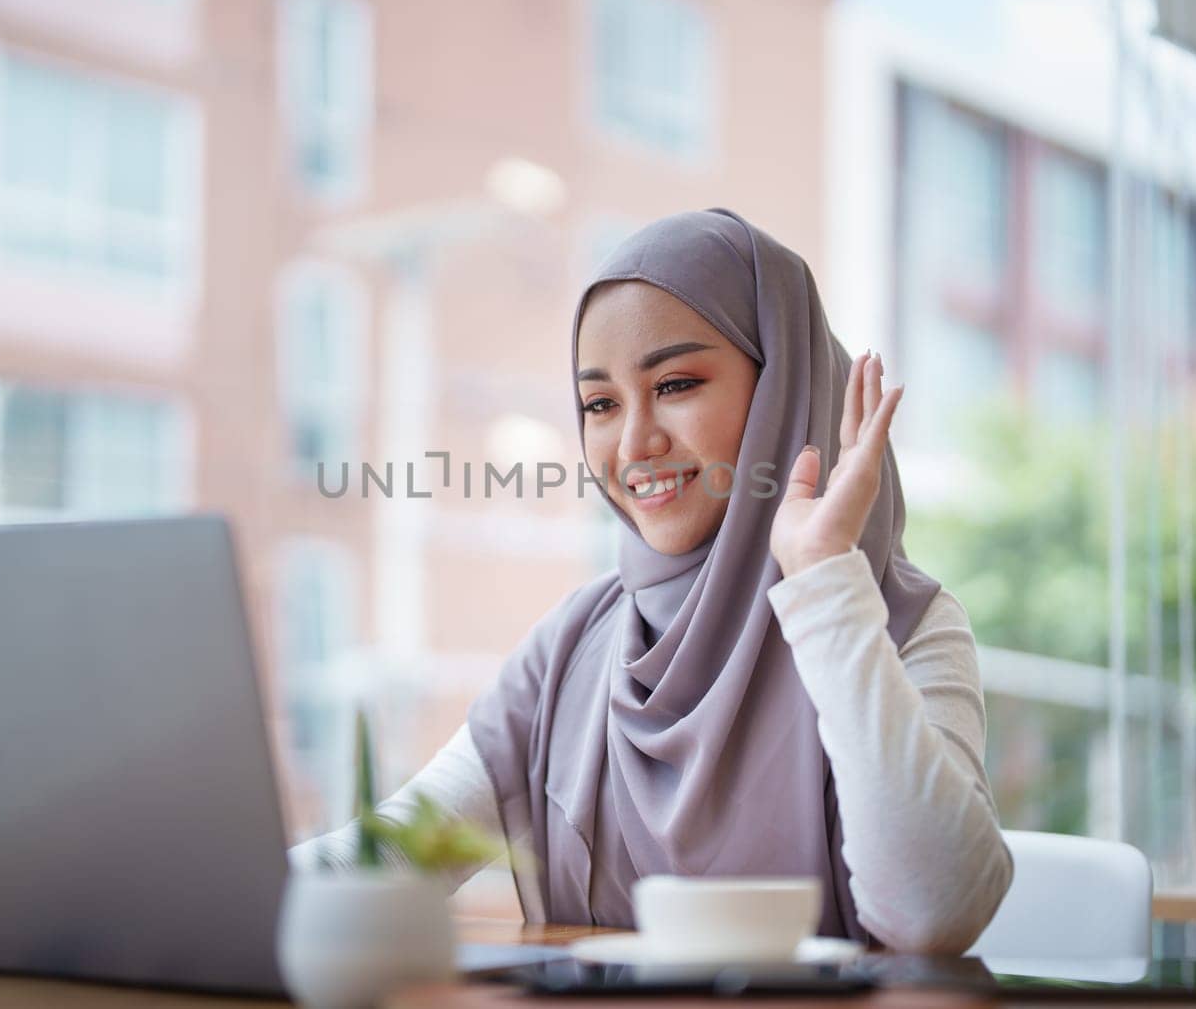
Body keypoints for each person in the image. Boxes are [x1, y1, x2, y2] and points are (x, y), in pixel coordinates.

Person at [292, 208, 1013, 953]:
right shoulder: (578, 643)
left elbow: (935, 913)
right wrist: (198, 894)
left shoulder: (905, 624)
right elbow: (393, 854)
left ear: (783, 391)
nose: (635, 443)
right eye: (600, 403)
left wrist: (826, 583)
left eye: (675, 383)